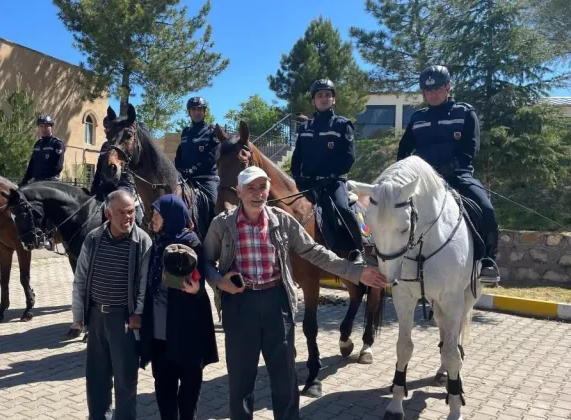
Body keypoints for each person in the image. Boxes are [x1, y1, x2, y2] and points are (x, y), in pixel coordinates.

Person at [203, 166, 387, 420]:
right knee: (241, 380)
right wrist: (217, 281)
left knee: (285, 379)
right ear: (238, 191)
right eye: (251, 188)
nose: (258, 194)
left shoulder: (282, 220)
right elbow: (205, 261)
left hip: (277, 303)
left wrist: (355, 272)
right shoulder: (222, 224)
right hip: (239, 304)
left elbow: (315, 252)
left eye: (262, 187)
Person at [397, 65, 499, 283]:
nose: (432, 94)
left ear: (448, 87)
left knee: (486, 208)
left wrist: (446, 170)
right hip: (423, 182)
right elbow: (404, 150)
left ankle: (488, 261)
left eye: (437, 89)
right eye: (428, 90)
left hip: (458, 176)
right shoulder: (417, 118)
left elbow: (469, 149)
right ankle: (386, 257)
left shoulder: (465, 113)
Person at [69, 190, 152, 420]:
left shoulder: (142, 241)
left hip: (124, 320)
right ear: (108, 214)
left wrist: (138, 313)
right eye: (121, 213)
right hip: (96, 318)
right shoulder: (93, 238)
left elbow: (144, 283)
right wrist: (78, 316)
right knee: (96, 377)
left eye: (131, 212)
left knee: (125, 382)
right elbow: (81, 279)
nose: (128, 218)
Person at [139, 194, 219, 420]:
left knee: (189, 391)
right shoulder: (156, 243)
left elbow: (197, 280)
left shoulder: (190, 242)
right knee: (164, 390)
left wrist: (195, 288)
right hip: (159, 334)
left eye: (157, 214)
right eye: (153, 213)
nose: (152, 218)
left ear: (170, 216)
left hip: (186, 333)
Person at [291, 79, 365, 265]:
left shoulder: (342, 125)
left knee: (342, 209)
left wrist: (332, 177)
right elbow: (297, 157)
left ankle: (357, 248)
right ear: (313, 101)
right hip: (307, 183)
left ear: (334, 99)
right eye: (319, 95)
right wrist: (297, 178)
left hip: (333, 182)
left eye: (327, 95)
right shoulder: (305, 128)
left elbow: (348, 158)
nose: (323, 98)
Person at [174, 97, 220, 231]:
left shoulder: (212, 131)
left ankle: (214, 231)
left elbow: (212, 157)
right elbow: (180, 154)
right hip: (186, 178)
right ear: (189, 112)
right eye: (193, 109)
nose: (196, 112)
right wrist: (177, 169)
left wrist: (193, 170)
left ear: (204, 111)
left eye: (199, 109)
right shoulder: (186, 132)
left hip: (206, 178)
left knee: (214, 202)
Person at [90, 116, 144, 226]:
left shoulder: (122, 143)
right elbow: (99, 169)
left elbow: (128, 171)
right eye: (106, 129)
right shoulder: (105, 146)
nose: (107, 132)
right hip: (106, 185)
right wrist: (93, 189)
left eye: (109, 129)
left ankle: (136, 229)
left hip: (124, 185)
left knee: (117, 204)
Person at [19, 115, 66, 186]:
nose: (44, 129)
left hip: (50, 183)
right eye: (41, 126)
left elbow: (58, 166)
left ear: (52, 127)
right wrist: (24, 181)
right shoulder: (37, 144)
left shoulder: (57, 143)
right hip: (36, 182)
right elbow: (31, 165)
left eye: (47, 126)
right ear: (38, 128)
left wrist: (44, 179)